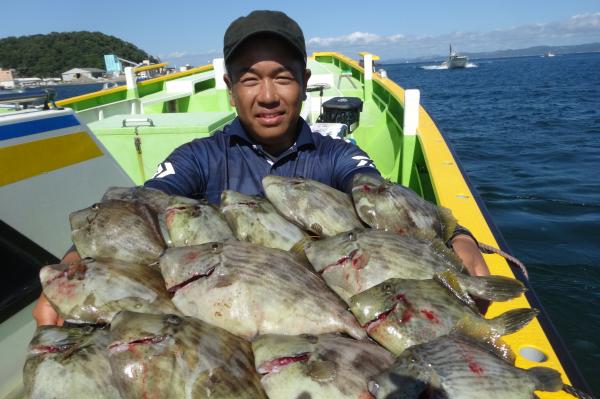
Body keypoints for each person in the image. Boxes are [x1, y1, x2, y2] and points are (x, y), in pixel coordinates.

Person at [32, 10, 489, 326]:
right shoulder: (200, 157)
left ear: (304, 83)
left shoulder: (335, 156)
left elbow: (380, 193)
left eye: (282, 77)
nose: (267, 96)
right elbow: (140, 206)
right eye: (250, 79)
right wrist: (75, 265)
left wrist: (459, 237)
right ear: (230, 88)